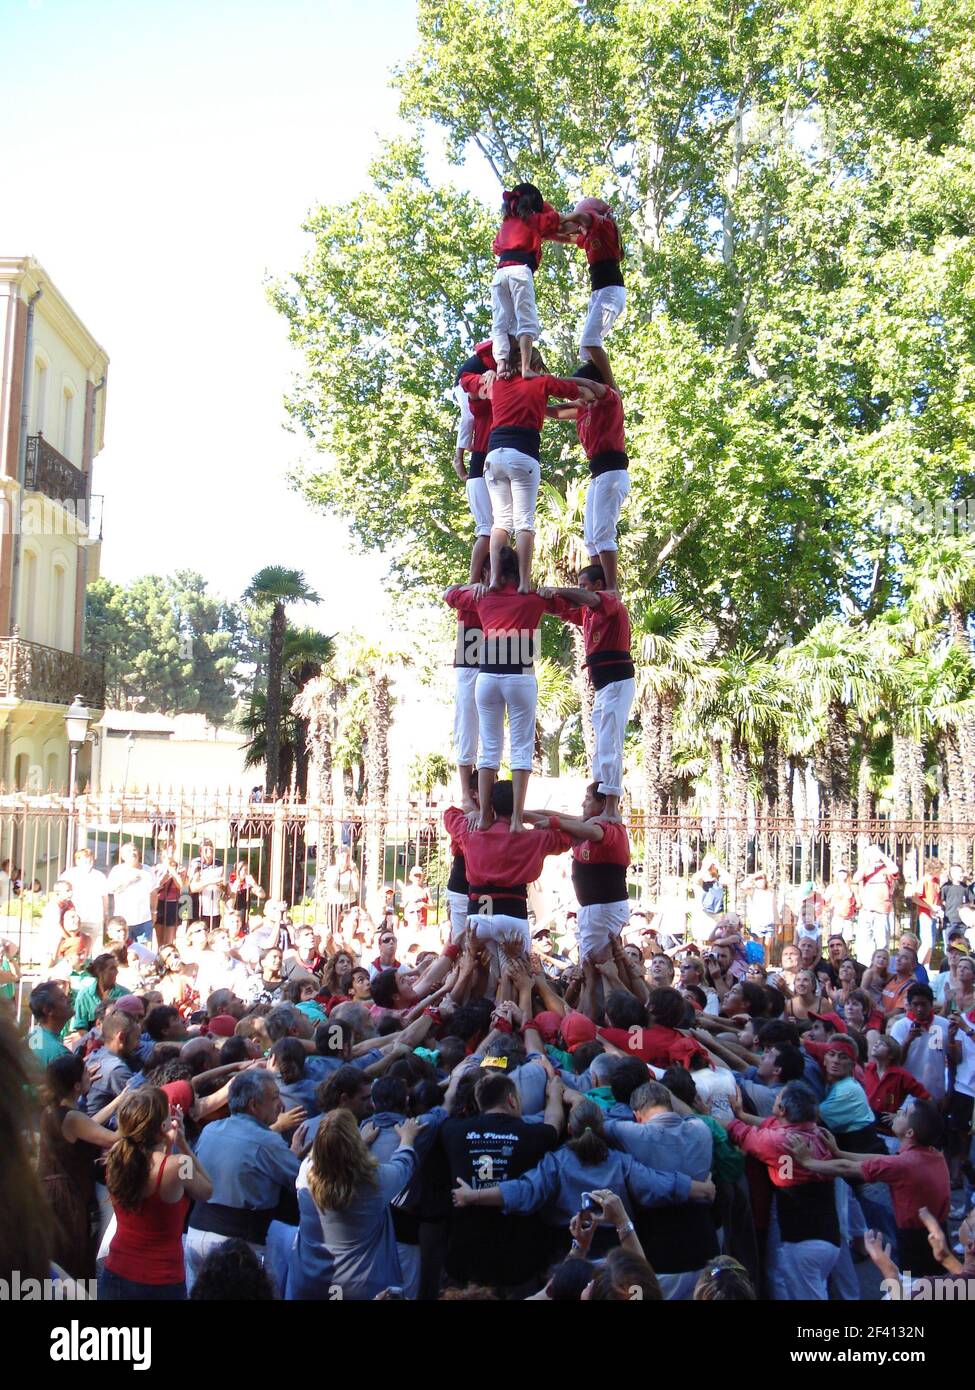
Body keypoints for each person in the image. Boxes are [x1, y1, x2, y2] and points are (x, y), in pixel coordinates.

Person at [445, 552, 574, 827]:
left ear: (496, 573)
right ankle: (516, 818)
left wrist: (472, 586)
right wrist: (552, 591)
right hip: (520, 674)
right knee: (521, 748)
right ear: (521, 570)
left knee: (489, 748)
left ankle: (483, 817)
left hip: (488, 675)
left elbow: (449, 595)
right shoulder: (534, 598)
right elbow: (564, 606)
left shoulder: (482, 597)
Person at [787, 1098, 950, 1276]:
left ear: (910, 1132)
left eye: (903, 1113)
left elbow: (846, 1168)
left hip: (916, 1242)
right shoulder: (932, 1154)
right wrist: (839, 1152)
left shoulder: (905, 1164)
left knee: (913, 1287)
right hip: (938, 1233)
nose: (897, 1114)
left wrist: (808, 1161)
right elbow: (879, 1160)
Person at [722, 1081, 841, 1299]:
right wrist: (742, 1114)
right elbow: (771, 1125)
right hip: (828, 1238)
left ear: (783, 1110)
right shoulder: (818, 1132)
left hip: (802, 1242)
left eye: (777, 1100)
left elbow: (741, 1133)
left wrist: (703, 1114)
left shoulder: (779, 1141)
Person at [478, 361, 591, 590]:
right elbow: (584, 392)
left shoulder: (498, 381)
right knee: (523, 523)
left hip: (493, 456)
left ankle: (494, 580)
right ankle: (524, 582)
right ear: (536, 365)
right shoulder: (541, 381)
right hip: (522, 454)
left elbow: (469, 383)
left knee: (500, 523)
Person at [600, 1080, 718, 1298]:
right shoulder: (702, 1129)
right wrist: (665, 1093)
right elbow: (689, 1113)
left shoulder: (633, 1133)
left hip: (659, 1255)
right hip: (706, 1249)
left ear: (637, 1115)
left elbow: (597, 1122)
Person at [186, 1069, 302, 1288]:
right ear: (253, 1105)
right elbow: (300, 1181)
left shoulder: (211, 1129)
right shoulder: (268, 1141)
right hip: (237, 1246)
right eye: (275, 1097)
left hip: (194, 1235)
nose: (281, 1104)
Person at [99, 1087, 213, 1300]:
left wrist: (167, 1143)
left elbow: (149, 1171)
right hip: (162, 1281)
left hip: (117, 1272)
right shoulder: (179, 1166)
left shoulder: (116, 1158)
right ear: (163, 1126)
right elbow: (207, 1190)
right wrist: (183, 1143)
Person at [300, 1107, 424, 1300]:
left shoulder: (305, 1173)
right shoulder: (375, 1181)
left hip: (315, 1281)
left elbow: (335, 1166)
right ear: (353, 1141)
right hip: (365, 1286)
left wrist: (361, 1143)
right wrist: (407, 1138)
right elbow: (404, 1165)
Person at [540, 566, 634, 818]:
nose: (581, 590)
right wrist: (536, 597)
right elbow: (560, 608)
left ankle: (612, 808)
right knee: (601, 748)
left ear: (598, 584)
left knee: (610, 743)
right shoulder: (587, 613)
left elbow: (589, 599)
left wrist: (558, 589)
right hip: (603, 685)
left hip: (617, 681)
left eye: (584, 585)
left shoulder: (610, 601)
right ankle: (600, 800)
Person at [444, 781, 573, 959]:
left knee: (475, 973)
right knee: (518, 974)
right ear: (518, 804)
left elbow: (450, 815)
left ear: (491, 806)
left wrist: (478, 812)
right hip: (513, 913)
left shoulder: (471, 831)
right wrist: (526, 816)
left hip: (481, 911)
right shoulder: (534, 837)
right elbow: (570, 832)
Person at [38, 1053, 133, 1277]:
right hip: (66, 1195)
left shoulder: (53, 1111)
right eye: (85, 1074)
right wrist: (137, 1115)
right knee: (73, 1257)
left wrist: (119, 1100)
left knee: (59, 1255)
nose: (91, 1076)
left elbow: (89, 1124)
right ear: (77, 1085)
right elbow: (112, 1138)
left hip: (51, 1190)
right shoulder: (72, 1117)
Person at [546, 363, 628, 591]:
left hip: (612, 471)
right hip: (598, 475)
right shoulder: (582, 408)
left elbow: (591, 386)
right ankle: (598, 585)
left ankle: (611, 588)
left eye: (579, 392)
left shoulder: (609, 399)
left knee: (603, 535)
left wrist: (553, 380)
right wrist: (530, 392)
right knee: (591, 540)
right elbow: (554, 411)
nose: (577, 397)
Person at [489, 182, 561, 378]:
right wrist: (543, 208)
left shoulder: (506, 223)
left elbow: (496, 247)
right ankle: (526, 367)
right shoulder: (533, 219)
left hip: (500, 274)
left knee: (500, 323)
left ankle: (501, 364)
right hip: (520, 271)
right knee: (526, 319)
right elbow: (553, 220)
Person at [454, 342, 496, 582]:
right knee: (487, 530)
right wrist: (460, 457)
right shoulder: (480, 403)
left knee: (497, 529)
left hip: (486, 464)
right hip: (478, 468)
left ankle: (489, 577)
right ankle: (473, 580)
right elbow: (470, 411)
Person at [889, 984, 951, 1102]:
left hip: (936, 1095)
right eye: (915, 1004)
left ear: (931, 1004)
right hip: (907, 1096)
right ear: (909, 1005)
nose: (919, 1009)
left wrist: (949, 1093)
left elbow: (953, 1060)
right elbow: (895, 1063)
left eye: (924, 1004)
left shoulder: (944, 1024)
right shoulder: (900, 1026)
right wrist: (908, 1040)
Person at [107, 843, 157, 946]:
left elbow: (153, 892)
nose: (133, 853)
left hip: (144, 919)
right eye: (129, 851)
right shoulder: (117, 870)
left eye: (134, 850)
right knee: (123, 950)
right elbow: (111, 890)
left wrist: (154, 911)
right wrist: (128, 881)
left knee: (144, 951)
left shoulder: (147, 870)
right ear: (123, 856)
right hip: (124, 920)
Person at [853, 845, 899, 956]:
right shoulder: (866, 869)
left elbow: (895, 870)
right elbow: (856, 878)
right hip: (867, 910)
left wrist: (881, 855)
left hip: (881, 911)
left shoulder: (886, 868)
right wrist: (866, 861)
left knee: (882, 943)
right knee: (865, 943)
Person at [62, 847, 110, 950]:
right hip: (75, 917)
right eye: (85, 860)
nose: (88, 862)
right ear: (77, 861)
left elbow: (104, 896)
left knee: (96, 947)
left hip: (95, 917)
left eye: (90, 859)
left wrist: (105, 913)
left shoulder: (99, 876)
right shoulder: (69, 875)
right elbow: (61, 892)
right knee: (76, 946)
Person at [69, 952, 127, 1031]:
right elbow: (80, 1027)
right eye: (112, 968)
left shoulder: (125, 995)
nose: (117, 972)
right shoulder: (84, 995)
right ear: (100, 971)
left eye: (116, 968)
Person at [26, 981, 73, 1068]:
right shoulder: (60, 1055)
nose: (69, 1000)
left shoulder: (30, 1039)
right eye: (62, 998)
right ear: (48, 1010)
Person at [153, 840, 186, 949]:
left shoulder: (180, 868)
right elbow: (154, 887)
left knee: (169, 940)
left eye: (172, 848)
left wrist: (171, 869)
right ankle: (160, 958)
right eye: (167, 848)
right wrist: (161, 880)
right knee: (159, 939)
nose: (170, 851)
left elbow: (181, 886)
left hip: (173, 903)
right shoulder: (156, 867)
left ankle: (168, 958)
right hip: (159, 902)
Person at [189, 840, 226, 931]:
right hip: (199, 904)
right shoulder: (196, 864)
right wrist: (211, 881)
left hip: (214, 906)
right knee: (199, 931)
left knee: (213, 932)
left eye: (211, 847)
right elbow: (193, 888)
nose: (210, 849)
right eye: (206, 847)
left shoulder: (219, 864)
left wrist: (221, 885)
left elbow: (224, 886)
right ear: (201, 851)